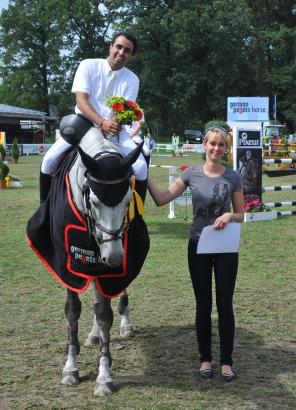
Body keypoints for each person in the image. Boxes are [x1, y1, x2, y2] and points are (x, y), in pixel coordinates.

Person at [147, 127, 244, 382]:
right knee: (203, 305)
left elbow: (241, 214)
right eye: (212, 143)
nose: (216, 148)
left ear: (226, 148)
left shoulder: (233, 177)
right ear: (204, 145)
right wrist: (143, 174)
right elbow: (161, 198)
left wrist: (229, 215)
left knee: (225, 305)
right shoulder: (191, 173)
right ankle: (205, 359)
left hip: (225, 247)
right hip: (198, 246)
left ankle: (226, 362)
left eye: (221, 145)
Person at [40, 31, 147, 203]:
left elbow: (126, 109)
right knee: (49, 160)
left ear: (130, 55)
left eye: (127, 50)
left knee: (141, 167)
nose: (121, 52)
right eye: (118, 47)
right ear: (110, 46)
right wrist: (101, 122)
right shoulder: (88, 65)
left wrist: (114, 124)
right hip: (83, 125)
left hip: (114, 129)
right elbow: (81, 100)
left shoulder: (132, 79)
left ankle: (137, 218)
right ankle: (43, 211)